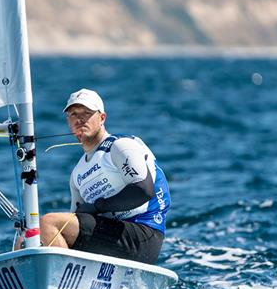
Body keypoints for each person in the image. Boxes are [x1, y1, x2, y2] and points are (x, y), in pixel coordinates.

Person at [22, 89, 170, 264]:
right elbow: (74, 221)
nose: (80, 119)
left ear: (102, 118)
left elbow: (143, 191)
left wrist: (98, 206)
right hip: (109, 237)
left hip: (144, 234)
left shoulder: (120, 146)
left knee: (49, 223)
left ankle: (60, 281)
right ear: (68, 122)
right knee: (30, 236)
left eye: (87, 113)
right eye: (73, 114)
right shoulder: (77, 174)